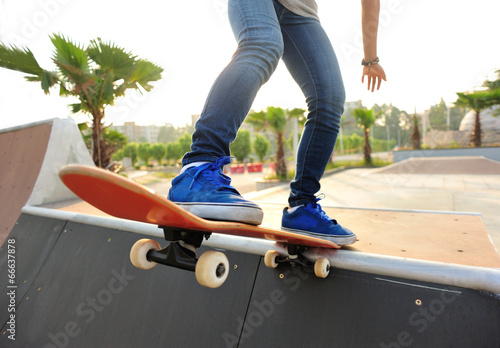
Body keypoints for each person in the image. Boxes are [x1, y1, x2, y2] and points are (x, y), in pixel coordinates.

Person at [168, 0, 386, 245]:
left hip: (300, 10)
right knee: (263, 44)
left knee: (330, 97)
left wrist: (370, 59)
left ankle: (301, 206)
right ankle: (197, 169)